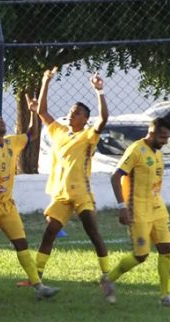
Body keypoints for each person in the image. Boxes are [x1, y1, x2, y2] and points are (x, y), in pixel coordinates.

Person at [0, 97, 59, 301]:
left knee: (21, 243)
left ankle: (38, 285)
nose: (2, 121)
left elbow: (33, 134)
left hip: (7, 205)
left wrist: (34, 111)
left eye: (1, 119)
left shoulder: (11, 142)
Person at [25, 69, 111, 287]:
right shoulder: (59, 131)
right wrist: (45, 80)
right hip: (62, 194)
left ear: (85, 119)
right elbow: (42, 111)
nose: (72, 114)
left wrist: (99, 91)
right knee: (49, 233)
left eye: (77, 112)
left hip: (81, 192)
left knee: (93, 233)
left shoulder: (89, 135)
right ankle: (37, 277)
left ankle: (107, 276)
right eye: (71, 111)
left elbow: (104, 118)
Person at [101, 118, 170, 307]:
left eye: (168, 137)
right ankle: (108, 279)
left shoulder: (158, 154)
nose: (165, 141)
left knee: (166, 249)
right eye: (163, 137)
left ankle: (166, 297)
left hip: (158, 208)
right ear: (152, 133)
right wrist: (122, 206)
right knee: (141, 255)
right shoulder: (136, 150)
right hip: (137, 209)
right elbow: (116, 177)